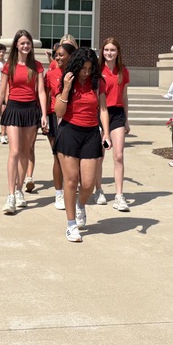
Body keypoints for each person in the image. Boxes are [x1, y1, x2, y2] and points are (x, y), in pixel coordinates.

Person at [54, 47, 111, 242]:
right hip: (69, 132)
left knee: (87, 183)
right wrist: (66, 88)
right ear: (76, 66)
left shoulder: (98, 82)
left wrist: (106, 133)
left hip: (91, 133)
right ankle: (71, 225)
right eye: (83, 69)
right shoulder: (66, 79)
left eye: (89, 69)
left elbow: (103, 109)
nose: (86, 73)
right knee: (71, 180)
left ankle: (80, 204)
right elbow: (59, 112)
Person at [0, 29, 48, 214]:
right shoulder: (8, 66)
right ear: (16, 45)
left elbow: (41, 91)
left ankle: (19, 190)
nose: (26, 46)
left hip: (31, 110)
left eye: (28, 43)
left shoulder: (37, 66)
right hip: (13, 109)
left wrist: (44, 114)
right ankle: (10, 195)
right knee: (15, 151)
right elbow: (2, 92)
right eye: (22, 43)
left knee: (25, 152)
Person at [97, 37, 131, 212]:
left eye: (112, 50)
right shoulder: (97, 71)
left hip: (117, 115)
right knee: (99, 155)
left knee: (118, 155)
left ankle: (119, 195)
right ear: (102, 52)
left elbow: (124, 97)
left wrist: (126, 120)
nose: (109, 53)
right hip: (100, 114)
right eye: (106, 50)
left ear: (118, 52)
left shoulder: (123, 71)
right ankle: (98, 190)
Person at [46, 40, 76, 210]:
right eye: (56, 55)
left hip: (73, 118)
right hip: (54, 116)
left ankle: (70, 188)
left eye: (61, 55)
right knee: (57, 156)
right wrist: (43, 116)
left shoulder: (77, 73)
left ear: (70, 56)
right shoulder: (51, 74)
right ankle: (59, 193)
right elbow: (44, 95)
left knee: (72, 156)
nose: (57, 57)